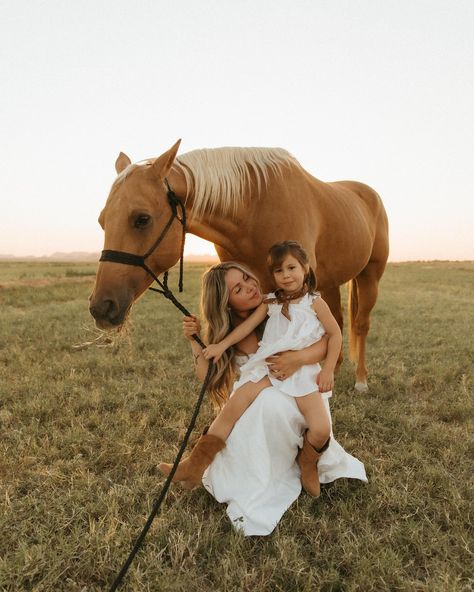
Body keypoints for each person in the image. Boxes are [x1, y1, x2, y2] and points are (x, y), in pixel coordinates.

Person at [159, 260, 367, 535]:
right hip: (257, 389)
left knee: (273, 404)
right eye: (238, 289)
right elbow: (208, 377)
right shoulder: (229, 331)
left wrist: (297, 359)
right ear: (226, 302)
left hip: (299, 385)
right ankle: (197, 465)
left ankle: (304, 462)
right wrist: (194, 341)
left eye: (247, 278)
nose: (249, 287)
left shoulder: (280, 306)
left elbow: (324, 341)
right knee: (250, 404)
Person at [198, 240, 342, 496]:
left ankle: (307, 461)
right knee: (234, 406)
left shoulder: (314, 302)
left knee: (321, 429)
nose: (286, 276)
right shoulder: (271, 302)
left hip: (304, 373)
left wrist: (328, 369)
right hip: (268, 369)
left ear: (305, 268)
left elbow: (334, 335)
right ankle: (196, 463)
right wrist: (219, 346)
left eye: (291, 268)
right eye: (278, 271)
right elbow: (244, 328)